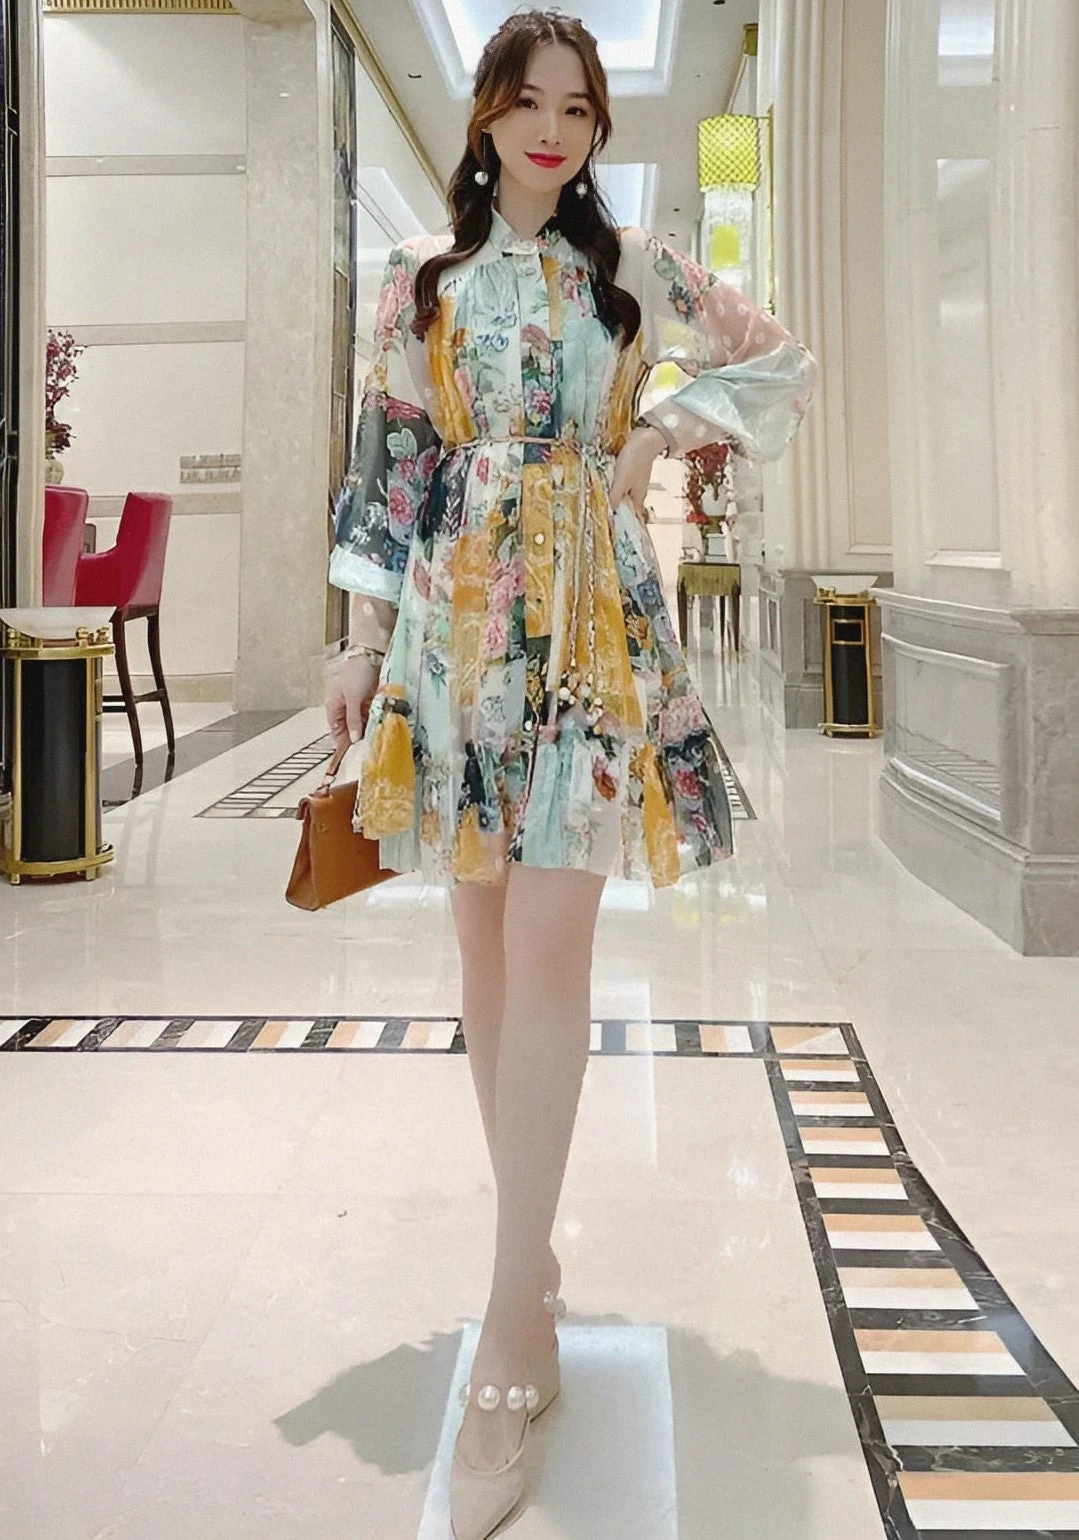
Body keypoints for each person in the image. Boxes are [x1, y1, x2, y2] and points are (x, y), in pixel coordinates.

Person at [324, 10, 816, 1536]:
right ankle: (528, 1260)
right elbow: (388, 461)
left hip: (593, 620)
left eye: (578, 108)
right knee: (481, 947)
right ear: (483, 116)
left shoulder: (636, 271)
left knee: (549, 945)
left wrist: (654, 431)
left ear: (598, 129)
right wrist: (357, 639)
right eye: (526, 101)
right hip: (455, 623)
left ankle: (509, 1327)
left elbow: (772, 357)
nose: (551, 128)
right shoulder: (416, 277)